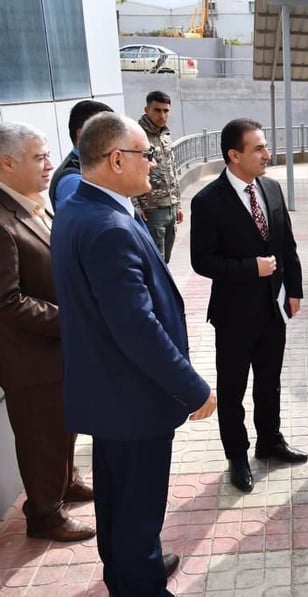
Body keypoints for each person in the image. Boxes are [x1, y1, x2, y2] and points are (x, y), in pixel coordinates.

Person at [51, 113, 217, 595]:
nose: (155, 162)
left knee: (119, 500)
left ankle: (127, 572)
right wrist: (193, 388)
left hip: (110, 393)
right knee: (138, 507)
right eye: (146, 154)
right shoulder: (109, 226)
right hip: (132, 398)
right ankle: (140, 582)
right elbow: (137, 328)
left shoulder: (80, 207)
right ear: (117, 159)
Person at [191, 118, 306, 494]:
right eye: (258, 148)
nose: (267, 154)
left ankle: (269, 441)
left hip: (273, 309)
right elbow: (201, 261)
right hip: (234, 315)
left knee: (269, 383)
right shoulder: (207, 201)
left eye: (265, 146)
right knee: (233, 389)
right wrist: (249, 268)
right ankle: (237, 456)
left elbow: (287, 245)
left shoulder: (271, 188)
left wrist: (294, 290)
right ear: (234, 155)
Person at [0, 122, 95, 542]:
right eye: (39, 157)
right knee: (41, 437)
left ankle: (65, 482)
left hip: (57, 350)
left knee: (63, 426)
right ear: (7, 163)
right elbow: (7, 302)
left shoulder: (33, 203)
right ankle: (44, 514)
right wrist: (72, 319)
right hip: (30, 359)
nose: (49, 164)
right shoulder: (2, 221)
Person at [132, 90, 182, 263]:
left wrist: (177, 204)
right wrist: (136, 206)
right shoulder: (137, 136)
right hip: (150, 209)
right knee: (155, 260)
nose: (162, 115)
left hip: (170, 207)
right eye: (157, 110)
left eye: (166, 111)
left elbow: (172, 170)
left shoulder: (165, 135)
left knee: (166, 259)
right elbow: (130, 171)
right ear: (147, 109)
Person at [49, 99, 114, 210]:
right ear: (82, 133)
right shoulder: (73, 180)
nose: (115, 135)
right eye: (107, 129)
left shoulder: (91, 167)